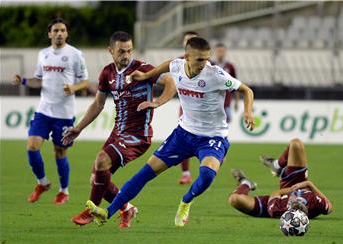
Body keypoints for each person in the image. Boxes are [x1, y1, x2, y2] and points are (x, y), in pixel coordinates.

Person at [85, 37, 255, 227]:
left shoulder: (216, 74)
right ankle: (107, 212)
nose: (204, 63)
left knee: (207, 174)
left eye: (207, 58)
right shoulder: (177, 66)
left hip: (212, 137)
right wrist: (145, 75)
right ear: (187, 56)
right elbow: (167, 66)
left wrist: (247, 112)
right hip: (183, 135)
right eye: (199, 59)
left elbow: (247, 90)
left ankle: (186, 201)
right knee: (145, 174)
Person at [62, 31, 176, 228]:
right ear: (111, 51)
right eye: (121, 51)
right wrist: (79, 128)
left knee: (101, 161)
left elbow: (170, 82)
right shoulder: (107, 73)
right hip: (118, 132)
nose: (126, 55)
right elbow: (98, 104)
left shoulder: (142, 68)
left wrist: (157, 102)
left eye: (129, 51)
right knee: (96, 178)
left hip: (138, 135)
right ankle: (127, 208)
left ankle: (92, 209)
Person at [12, 18, 89, 205]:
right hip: (44, 110)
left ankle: (64, 191)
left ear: (67, 33)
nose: (59, 33)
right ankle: (43, 183)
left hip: (64, 114)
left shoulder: (75, 54)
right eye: (55, 30)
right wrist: (22, 81)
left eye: (62, 30)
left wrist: (74, 88)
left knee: (60, 153)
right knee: (31, 147)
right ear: (49, 34)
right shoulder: (43, 54)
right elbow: (39, 80)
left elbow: (85, 81)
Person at [228, 138, 333, 219]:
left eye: (294, 206)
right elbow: (329, 208)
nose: (298, 203)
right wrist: (309, 185)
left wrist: (292, 190)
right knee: (296, 144)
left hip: (274, 199)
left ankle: (246, 183)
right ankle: (277, 165)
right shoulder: (315, 205)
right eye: (300, 206)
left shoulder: (279, 209)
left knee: (234, 199)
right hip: (300, 182)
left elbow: (275, 194)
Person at [177, 31, 199, 185]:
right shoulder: (177, 62)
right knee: (183, 140)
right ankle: (186, 173)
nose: (189, 43)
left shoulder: (206, 62)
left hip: (205, 109)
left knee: (204, 139)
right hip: (185, 108)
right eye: (187, 40)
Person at [214, 43, 239, 123]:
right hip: (212, 102)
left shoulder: (230, 66)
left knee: (226, 123)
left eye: (222, 51)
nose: (220, 53)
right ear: (215, 52)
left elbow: (236, 84)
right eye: (218, 51)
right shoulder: (211, 65)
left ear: (225, 52)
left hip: (226, 102)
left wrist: (236, 101)